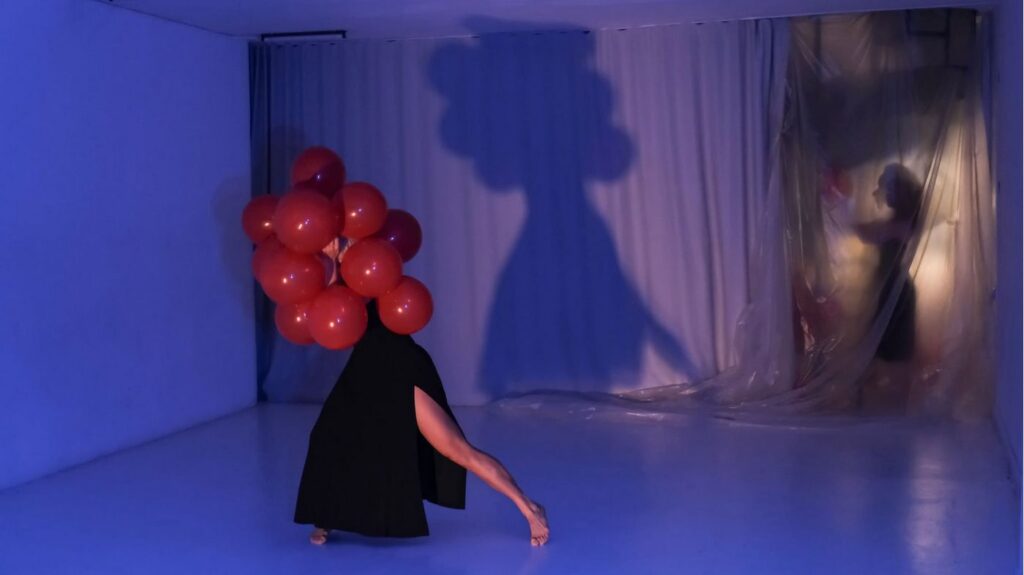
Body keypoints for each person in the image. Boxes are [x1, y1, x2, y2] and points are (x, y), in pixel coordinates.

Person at [293, 301, 550, 546]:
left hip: (399, 366)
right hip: (363, 369)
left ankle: (529, 508)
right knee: (327, 436)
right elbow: (331, 312)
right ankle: (326, 516)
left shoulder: (369, 273)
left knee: (457, 449)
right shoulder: (336, 277)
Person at [851, 164, 923, 410]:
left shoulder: (906, 223)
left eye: (889, 189)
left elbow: (872, 233)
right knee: (875, 350)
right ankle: (866, 404)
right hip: (889, 290)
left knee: (897, 353)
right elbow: (869, 231)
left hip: (898, 292)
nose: (884, 193)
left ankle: (899, 406)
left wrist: (851, 214)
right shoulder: (896, 221)